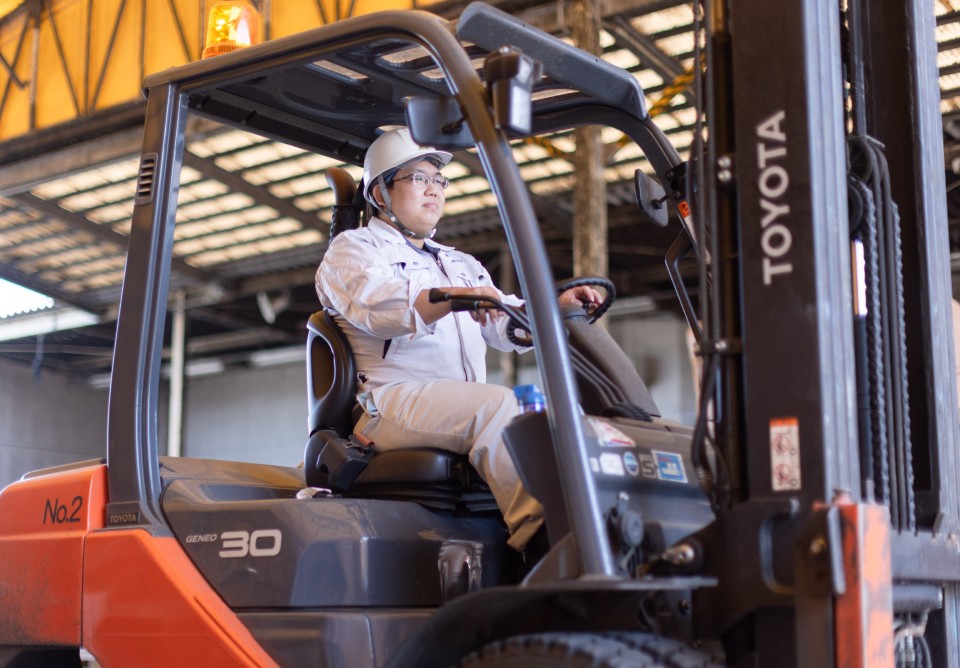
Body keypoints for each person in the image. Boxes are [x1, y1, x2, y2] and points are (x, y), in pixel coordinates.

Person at [314, 128, 602, 552]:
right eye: (418, 179)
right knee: (497, 405)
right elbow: (384, 309)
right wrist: (455, 300)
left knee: (565, 410)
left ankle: (600, 525)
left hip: (455, 405)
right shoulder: (352, 250)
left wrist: (553, 308)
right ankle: (552, 547)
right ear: (379, 192)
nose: (434, 190)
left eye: (439, 180)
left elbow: (505, 326)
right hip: (387, 404)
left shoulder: (459, 263)